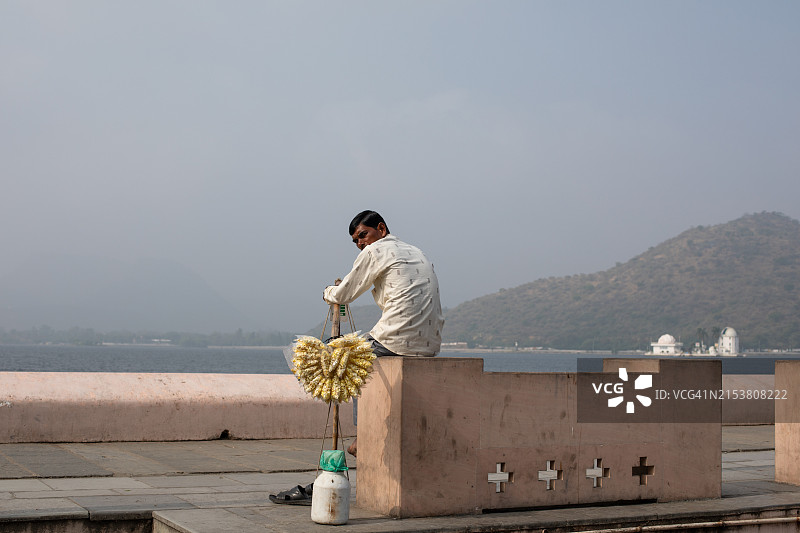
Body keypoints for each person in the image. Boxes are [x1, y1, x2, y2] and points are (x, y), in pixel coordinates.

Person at [324, 210, 444, 456]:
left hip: (395, 339)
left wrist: (328, 292)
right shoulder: (417, 251)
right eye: (356, 241)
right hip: (429, 343)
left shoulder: (375, 251)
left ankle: (363, 434)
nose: (360, 244)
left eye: (363, 235)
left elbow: (345, 293)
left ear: (381, 228)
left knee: (342, 353)